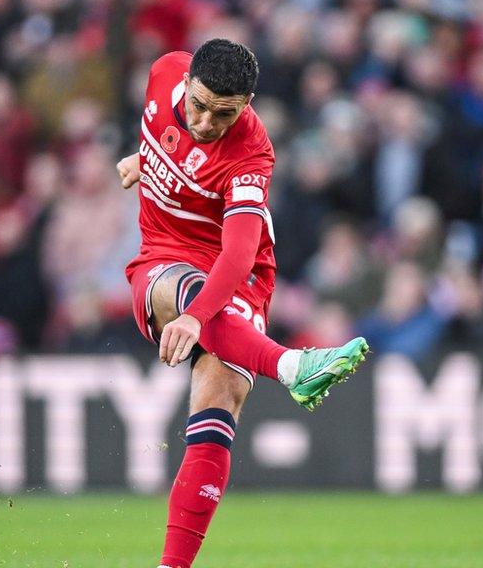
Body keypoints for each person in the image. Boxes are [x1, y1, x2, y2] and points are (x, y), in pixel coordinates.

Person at [115, 39, 369, 568]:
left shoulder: (252, 151)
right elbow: (173, 138)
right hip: (162, 254)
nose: (207, 122)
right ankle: (292, 364)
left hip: (240, 273)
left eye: (224, 113)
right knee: (175, 284)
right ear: (186, 84)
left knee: (219, 402)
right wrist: (145, 159)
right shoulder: (163, 71)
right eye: (199, 105)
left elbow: (238, 253)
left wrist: (197, 317)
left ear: (247, 104)